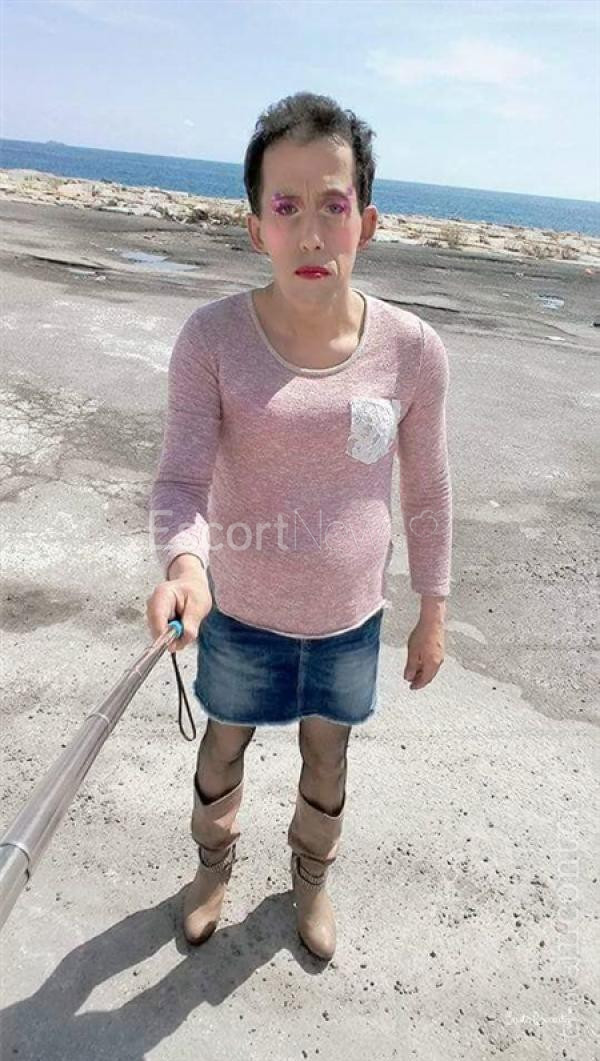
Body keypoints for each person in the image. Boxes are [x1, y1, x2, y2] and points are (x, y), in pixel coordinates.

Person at [146, 91, 452, 961]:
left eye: (333, 205)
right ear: (256, 227)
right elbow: (181, 478)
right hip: (239, 612)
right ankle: (211, 869)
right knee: (223, 745)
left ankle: (310, 881)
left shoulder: (413, 349)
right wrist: (185, 565)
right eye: (286, 207)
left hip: (349, 620)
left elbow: (428, 487)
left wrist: (432, 608)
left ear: (368, 221)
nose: (311, 233)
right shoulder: (210, 339)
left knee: (328, 756)